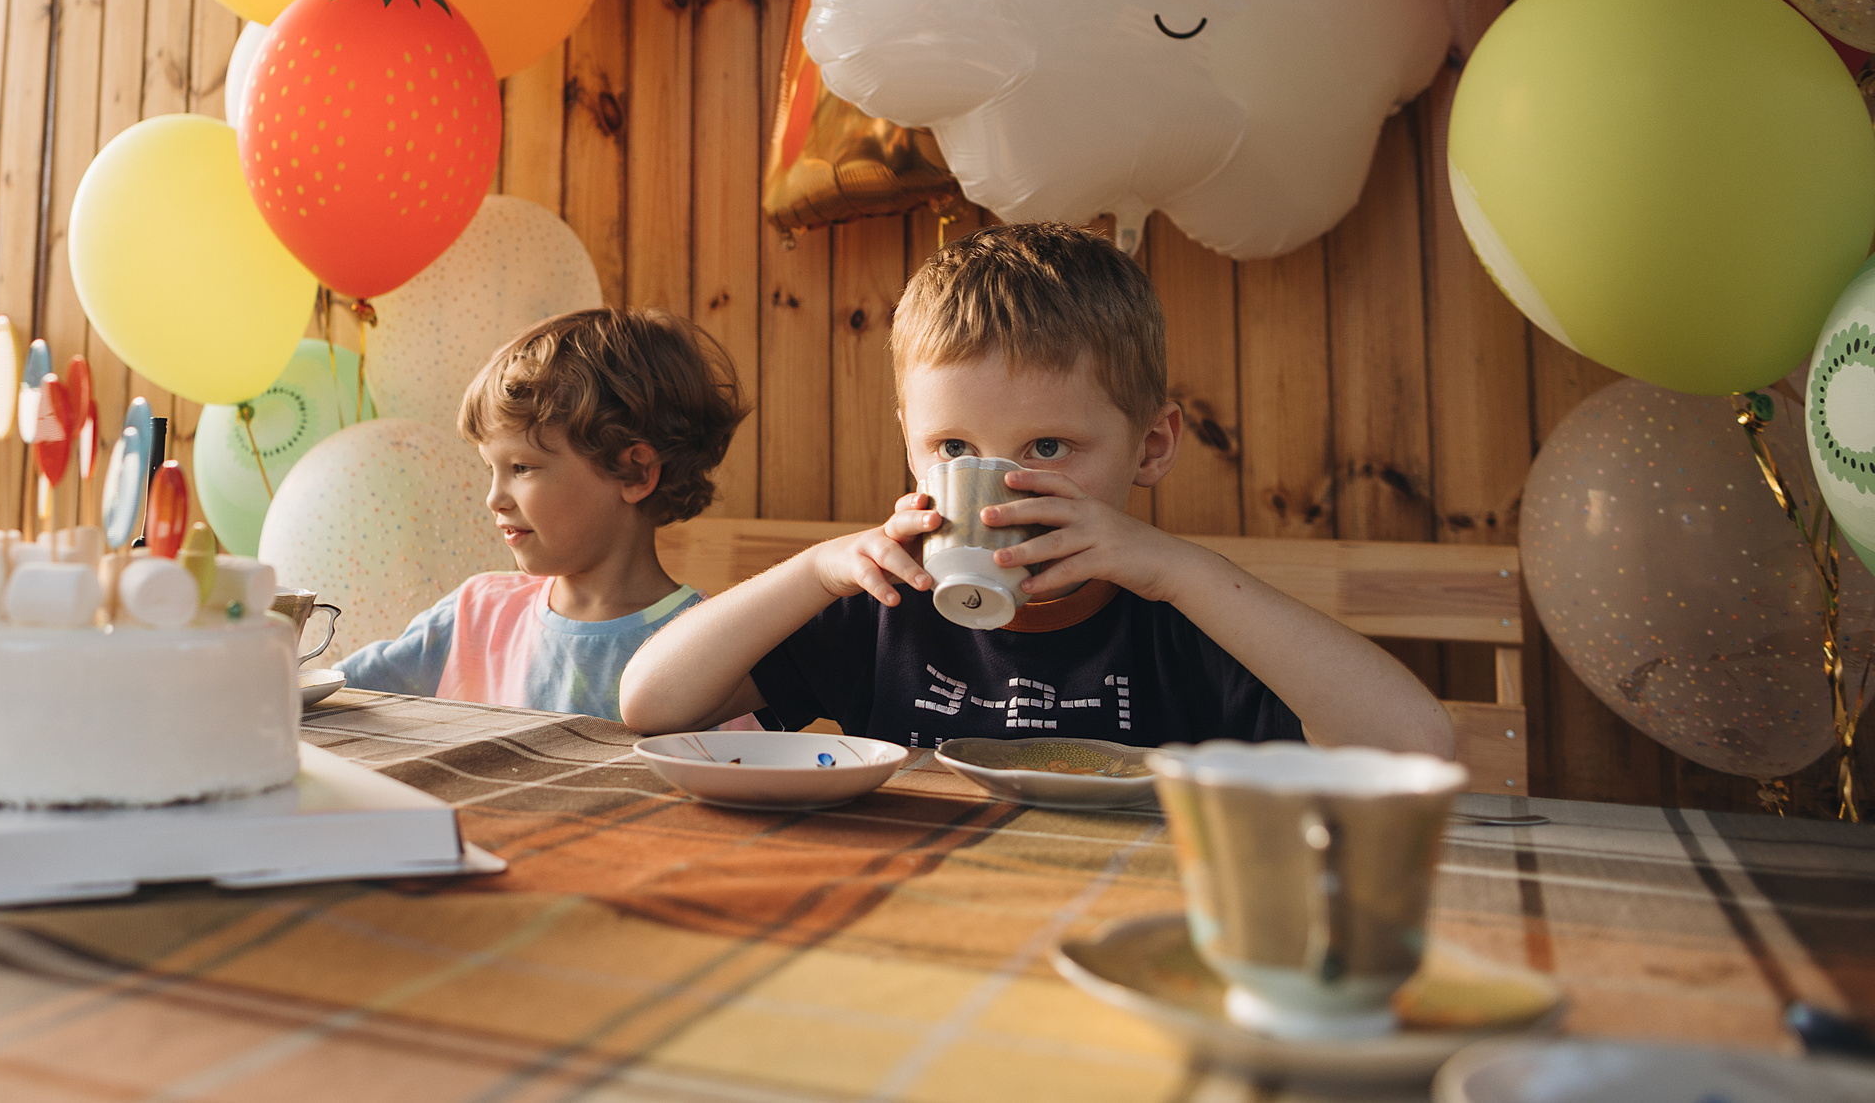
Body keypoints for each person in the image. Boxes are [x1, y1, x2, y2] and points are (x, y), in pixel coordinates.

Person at [620, 223, 1455, 757]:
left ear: (1151, 446)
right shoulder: (886, 603)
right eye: (951, 445)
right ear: (910, 447)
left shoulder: (1183, 618)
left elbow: (1417, 746)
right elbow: (651, 703)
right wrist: (817, 571)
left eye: (1048, 446)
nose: (999, 486)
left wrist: (1177, 570)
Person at [338, 308, 753, 723]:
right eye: (491, 469)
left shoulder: (708, 650)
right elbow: (326, 695)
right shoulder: (476, 615)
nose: (494, 498)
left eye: (522, 468)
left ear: (635, 471)